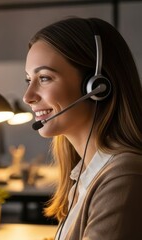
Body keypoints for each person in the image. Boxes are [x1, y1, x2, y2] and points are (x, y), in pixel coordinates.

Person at [23, 17, 142, 239]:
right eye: (28, 80)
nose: (28, 97)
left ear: (97, 85)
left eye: (45, 78)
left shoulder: (123, 177)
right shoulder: (85, 173)